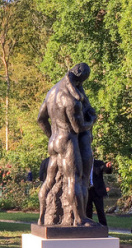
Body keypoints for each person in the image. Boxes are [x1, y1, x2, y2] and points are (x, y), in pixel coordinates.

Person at [37, 63, 98, 226]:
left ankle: (42, 217)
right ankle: (79, 219)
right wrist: (92, 120)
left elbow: (40, 119)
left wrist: (52, 137)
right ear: (82, 78)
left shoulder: (52, 92)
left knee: (49, 180)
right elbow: (78, 128)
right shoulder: (72, 101)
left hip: (54, 141)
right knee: (74, 179)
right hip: (67, 140)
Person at [86, 159, 112, 226]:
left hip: (97, 190)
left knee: (100, 209)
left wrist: (108, 167)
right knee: (88, 210)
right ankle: (89, 226)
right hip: (87, 190)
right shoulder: (84, 163)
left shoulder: (99, 163)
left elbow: (106, 170)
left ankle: (103, 226)